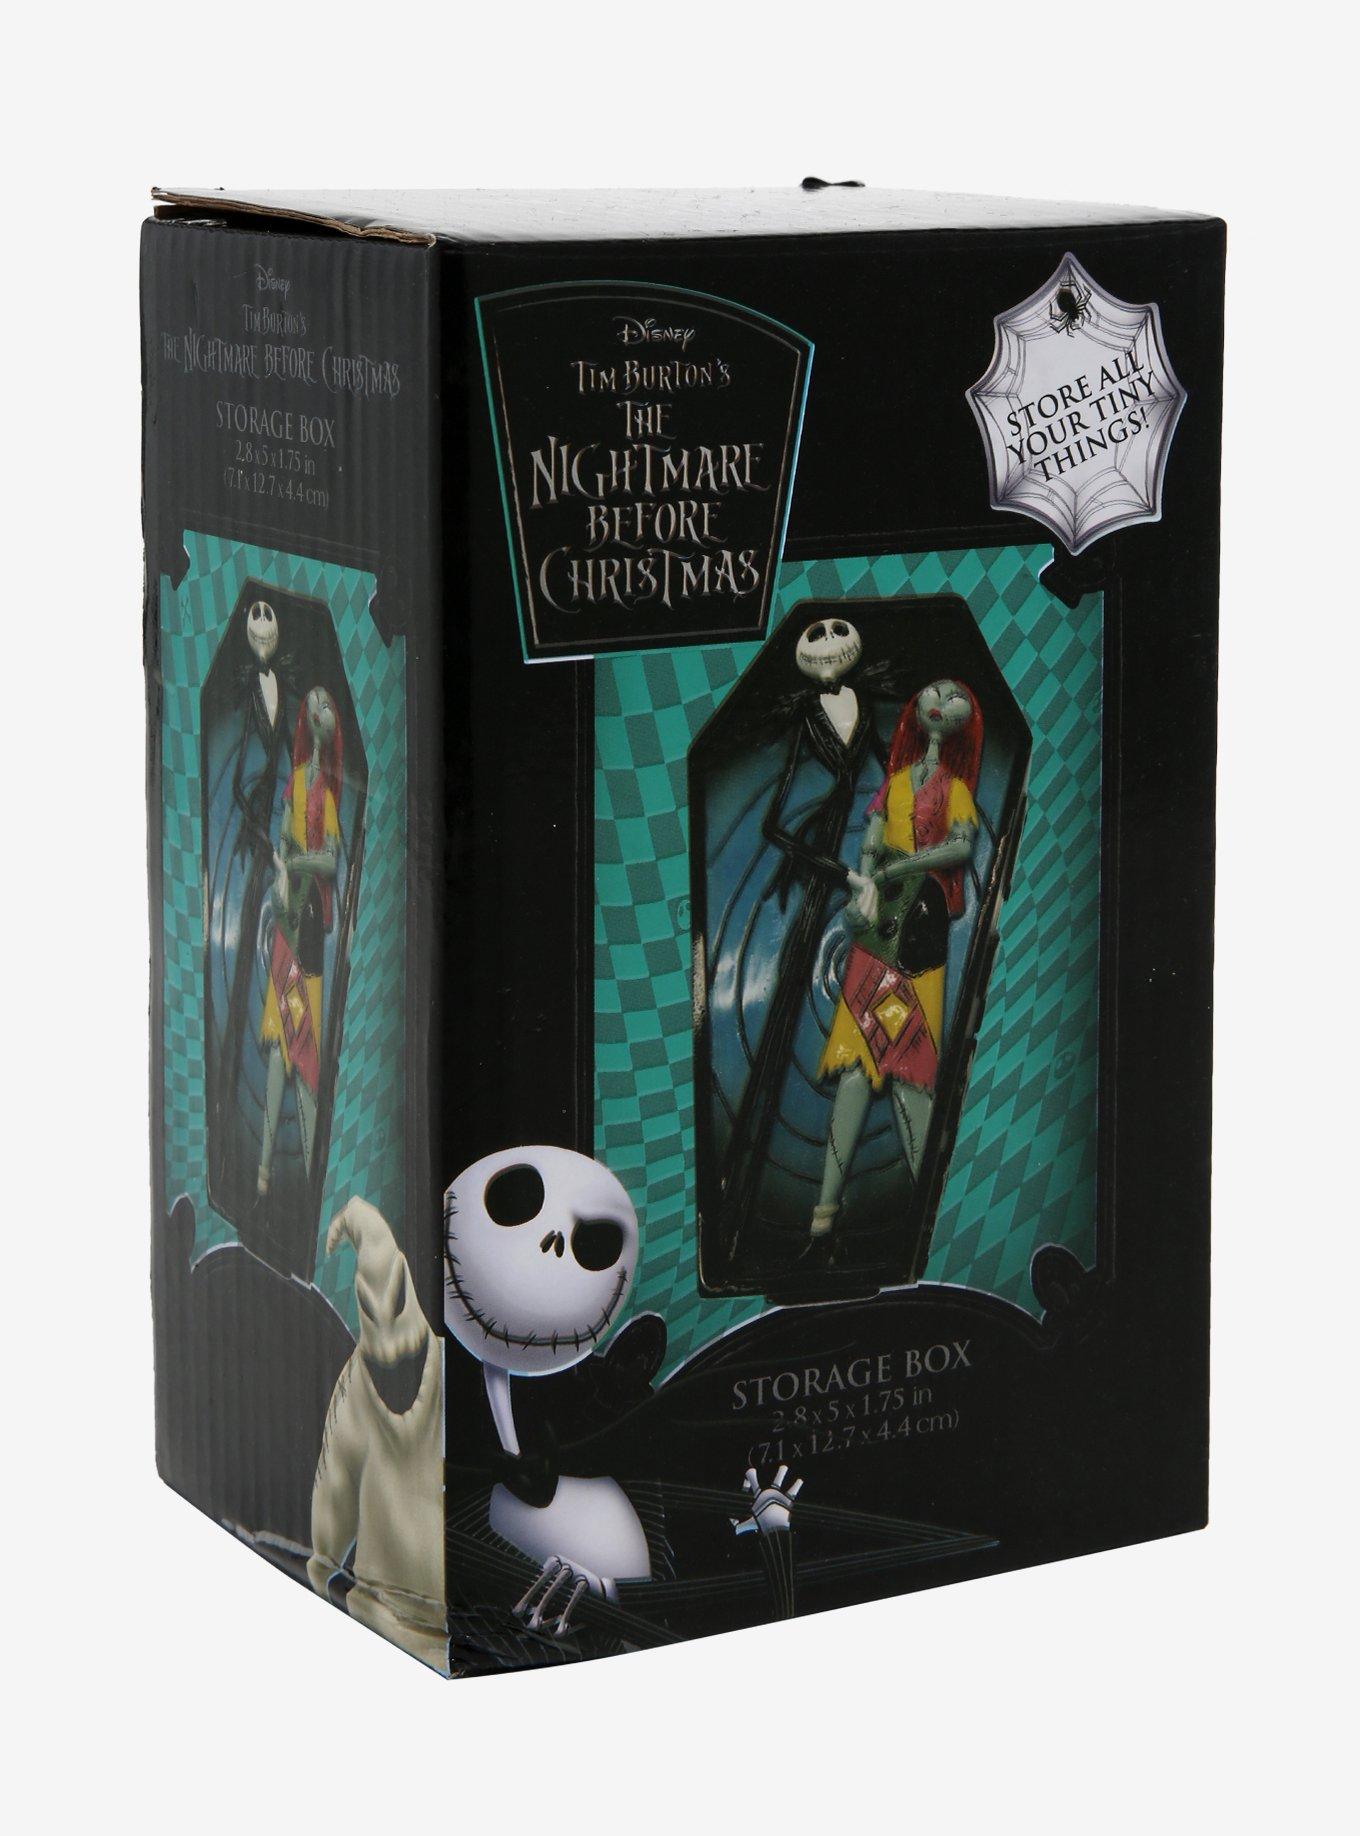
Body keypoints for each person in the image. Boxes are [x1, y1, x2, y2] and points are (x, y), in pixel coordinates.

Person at [812, 678, 982, 1240]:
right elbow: (869, 843)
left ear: (962, 722)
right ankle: (824, 1213)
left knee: (910, 1070)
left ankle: (932, 1215)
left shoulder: (956, 788)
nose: (942, 700)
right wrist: (863, 889)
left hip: (919, 932)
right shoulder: (894, 783)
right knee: (858, 1070)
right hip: (877, 931)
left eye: (955, 698)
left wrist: (896, 869)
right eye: (935, 692)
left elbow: (962, 845)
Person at [257, 686, 343, 1195]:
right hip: (288, 923)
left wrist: (294, 863)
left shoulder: (326, 793)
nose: (318, 712)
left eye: (325, 706)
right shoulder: (295, 783)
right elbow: (282, 848)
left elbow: (329, 861)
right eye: (313, 706)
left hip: (307, 926)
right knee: (282, 1047)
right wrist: (282, 868)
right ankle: (264, 1173)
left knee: (301, 1049)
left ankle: (309, 1182)